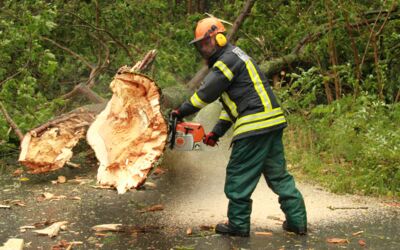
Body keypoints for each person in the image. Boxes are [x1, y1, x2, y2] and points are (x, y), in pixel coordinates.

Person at [171, 17, 307, 237]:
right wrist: (217, 132)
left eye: (206, 43)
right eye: (200, 45)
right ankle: (297, 221)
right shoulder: (237, 58)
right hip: (271, 123)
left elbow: (207, 93)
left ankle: (238, 225)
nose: (203, 49)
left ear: (220, 37)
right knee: (278, 176)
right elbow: (232, 106)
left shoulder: (226, 61)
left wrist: (181, 111)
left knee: (238, 175)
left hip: (254, 125)